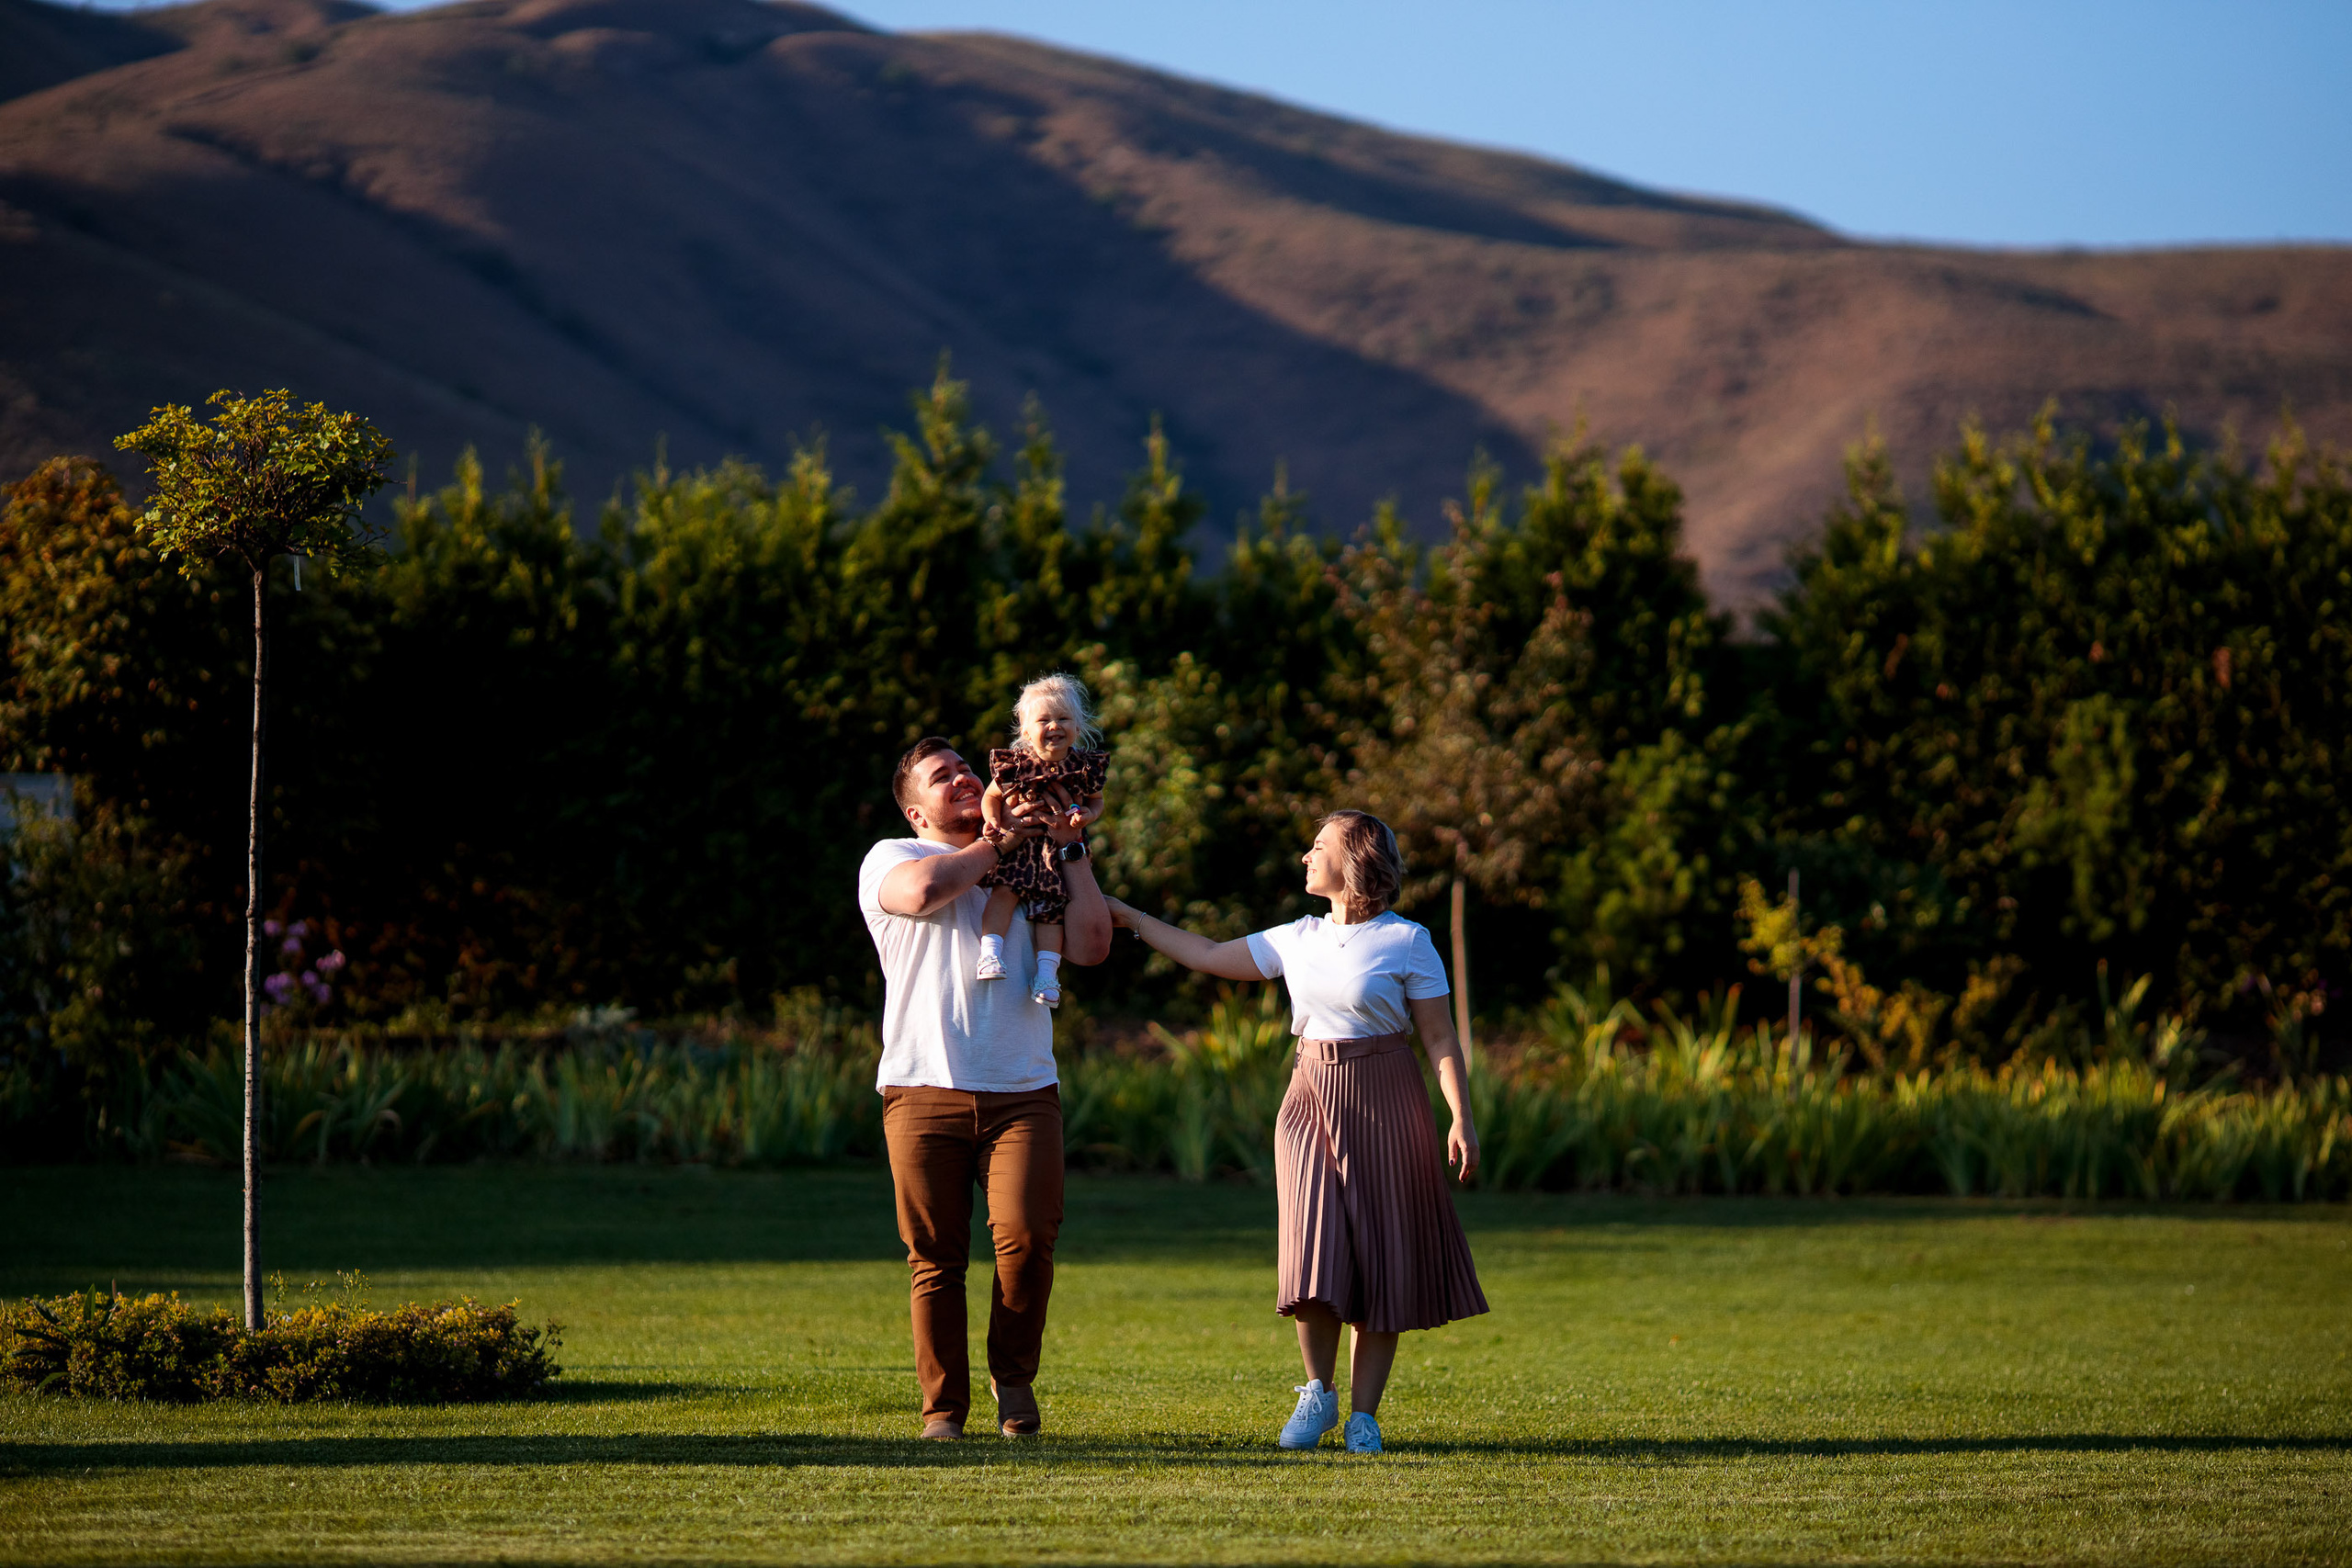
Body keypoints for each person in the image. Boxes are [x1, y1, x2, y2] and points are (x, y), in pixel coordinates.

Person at [1105, 809, 1486, 1455]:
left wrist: (1461, 1117)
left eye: (1318, 846)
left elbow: (1439, 1035)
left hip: (1387, 1097)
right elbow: (1204, 953)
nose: (1306, 856)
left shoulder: (1408, 940)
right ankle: (1318, 1392)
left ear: (1355, 857)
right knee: (1313, 1246)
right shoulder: (1296, 936)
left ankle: (1364, 1416)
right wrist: (1127, 915)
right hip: (1309, 1095)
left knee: (1381, 1253)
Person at [858, 735, 1110, 1440]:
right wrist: (1000, 844)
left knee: (1028, 1239)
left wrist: (1068, 847)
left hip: (1024, 1089)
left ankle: (1014, 1375)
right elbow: (927, 893)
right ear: (915, 811)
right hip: (921, 1088)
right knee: (935, 1259)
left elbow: (1091, 946)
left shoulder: (1037, 853)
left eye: (968, 767)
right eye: (944, 777)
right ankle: (943, 1410)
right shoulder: (894, 857)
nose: (965, 777)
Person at [976, 673, 1108, 1010]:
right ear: (1025, 731)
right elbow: (991, 797)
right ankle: (990, 953)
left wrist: (1088, 817)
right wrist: (991, 819)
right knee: (1005, 892)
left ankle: (1047, 977)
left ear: (1077, 729)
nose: (1054, 726)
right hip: (1021, 846)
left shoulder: (1083, 768)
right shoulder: (1016, 765)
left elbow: (1096, 801)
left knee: (1052, 913)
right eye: (1044, 719)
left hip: (1058, 853)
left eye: (1063, 719)